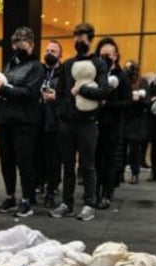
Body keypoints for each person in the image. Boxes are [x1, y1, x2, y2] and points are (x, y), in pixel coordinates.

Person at [49, 22, 109, 221]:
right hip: (67, 122)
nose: (78, 42)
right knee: (67, 165)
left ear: (90, 40)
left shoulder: (99, 64)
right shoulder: (67, 65)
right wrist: (62, 113)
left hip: (88, 122)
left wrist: (81, 90)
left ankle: (89, 204)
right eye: (76, 38)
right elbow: (60, 93)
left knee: (87, 165)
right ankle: (67, 203)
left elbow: (103, 92)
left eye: (82, 38)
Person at [0, 26, 44, 218]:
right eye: (15, 43)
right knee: (6, 160)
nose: (18, 46)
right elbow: (4, 87)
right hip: (5, 119)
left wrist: (4, 90)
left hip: (25, 122)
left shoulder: (37, 67)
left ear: (31, 44)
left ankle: (27, 199)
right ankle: (10, 196)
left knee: (25, 162)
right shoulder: (10, 64)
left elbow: (30, 93)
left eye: (22, 42)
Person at [92, 37, 130, 209]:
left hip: (112, 125)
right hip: (94, 123)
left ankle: (106, 193)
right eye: (102, 55)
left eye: (108, 55)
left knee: (109, 160)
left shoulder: (121, 76)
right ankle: (95, 191)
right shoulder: (95, 75)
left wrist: (109, 104)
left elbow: (128, 102)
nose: (105, 58)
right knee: (95, 159)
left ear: (115, 56)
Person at [39, 40, 63, 209]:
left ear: (60, 55)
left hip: (55, 121)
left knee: (53, 158)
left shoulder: (63, 73)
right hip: (37, 120)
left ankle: (51, 190)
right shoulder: (39, 71)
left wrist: (56, 97)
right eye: (47, 50)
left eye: (53, 51)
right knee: (38, 156)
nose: (49, 53)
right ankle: (39, 184)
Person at [122, 60, 150, 185]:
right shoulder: (123, 81)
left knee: (134, 149)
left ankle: (135, 173)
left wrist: (139, 99)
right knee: (121, 149)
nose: (128, 70)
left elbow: (147, 101)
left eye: (130, 68)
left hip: (137, 119)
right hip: (124, 117)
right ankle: (119, 173)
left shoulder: (142, 82)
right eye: (126, 68)